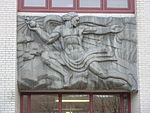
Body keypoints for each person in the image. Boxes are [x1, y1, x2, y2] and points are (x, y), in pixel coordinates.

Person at [28, 12, 126, 86]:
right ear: (70, 20)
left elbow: (95, 30)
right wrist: (37, 29)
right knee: (45, 55)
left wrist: (109, 29)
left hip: (82, 57)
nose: (78, 21)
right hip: (66, 56)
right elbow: (48, 39)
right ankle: (65, 74)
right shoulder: (60, 29)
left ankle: (125, 77)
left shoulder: (80, 28)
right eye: (76, 19)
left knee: (102, 74)